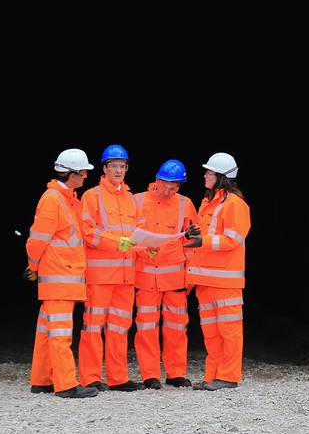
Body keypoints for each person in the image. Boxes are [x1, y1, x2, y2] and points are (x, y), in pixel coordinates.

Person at [24, 148, 98, 399]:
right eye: (83, 171)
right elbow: (36, 239)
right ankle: (66, 385)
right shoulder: (53, 199)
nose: (86, 175)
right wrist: (33, 266)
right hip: (59, 278)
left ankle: (42, 380)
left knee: (47, 331)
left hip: (63, 277)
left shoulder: (66, 199)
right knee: (60, 333)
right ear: (70, 174)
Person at [78, 144, 142, 392]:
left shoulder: (130, 198)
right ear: (104, 169)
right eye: (113, 165)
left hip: (126, 276)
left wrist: (146, 246)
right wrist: (117, 242)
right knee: (93, 327)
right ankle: (91, 378)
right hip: (100, 275)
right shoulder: (92, 196)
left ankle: (118, 378)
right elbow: (87, 232)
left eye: (122, 166)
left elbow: (136, 234)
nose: (118, 170)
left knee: (119, 327)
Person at [185, 152, 251, 391]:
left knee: (229, 332)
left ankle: (229, 376)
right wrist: (193, 235)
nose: (205, 175)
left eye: (209, 172)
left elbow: (232, 239)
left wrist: (201, 241)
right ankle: (212, 376)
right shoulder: (208, 202)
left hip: (225, 283)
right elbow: (205, 236)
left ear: (221, 177)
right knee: (211, 334)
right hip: (205, 280)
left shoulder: (235, 204)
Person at [132, 159, 198, 389]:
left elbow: (192, 241)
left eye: (175, 186)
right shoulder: (137, 201)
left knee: (177, 328)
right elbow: (128, 237)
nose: (170, 190)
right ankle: (150, 375)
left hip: (175, 277)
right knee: (146, 327)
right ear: (157, 180)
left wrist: (190, 274)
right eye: (167, 185)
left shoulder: (185, 204)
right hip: (146, 276)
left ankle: (175, 373)